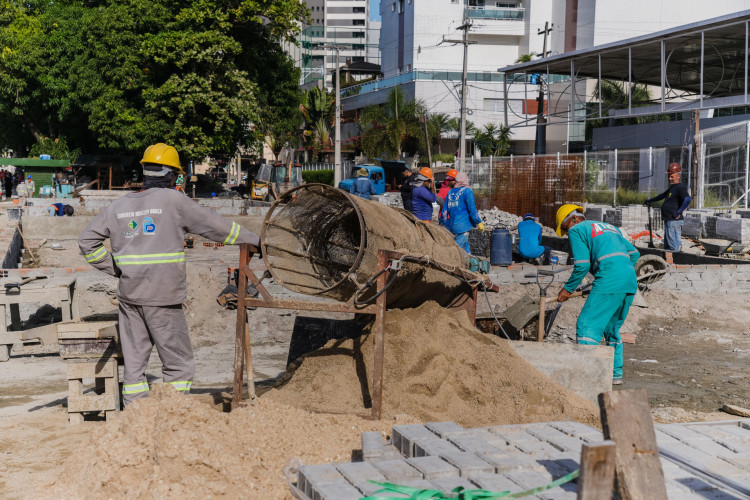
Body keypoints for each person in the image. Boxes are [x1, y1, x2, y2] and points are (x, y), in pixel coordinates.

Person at [78, 143, 261, 407]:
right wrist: (255, 240)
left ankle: (134, 419)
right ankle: (172, 415)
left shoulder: (118, 206)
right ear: (173, 175)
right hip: (162, 297)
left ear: (145, 172)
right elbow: (217, 228)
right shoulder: (174, 201)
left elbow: (86, 242)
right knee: (177, 364)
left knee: (134, 364)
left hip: (130, 296)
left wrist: (115, 269)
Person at [555, 204, 640, 386]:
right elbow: (634, 253)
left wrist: (567, 289)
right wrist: (616, 271)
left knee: (587, 326)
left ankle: (587, 377)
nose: (567, 232)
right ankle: (615, 374)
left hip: (610, 280)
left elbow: (582, 265)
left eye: (564, 227)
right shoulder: (611, 228)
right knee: (612, 329)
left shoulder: (577, 229)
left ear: (573, 219)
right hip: (629, 281)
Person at [643, 163, 691, 251]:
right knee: (668, 246)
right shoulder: (673, 188)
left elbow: (688, 199)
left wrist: (679, 212)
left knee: (673, 246)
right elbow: (662, 196)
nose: (669, 179)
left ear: (678, 176)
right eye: (669, 176)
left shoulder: (680, 187)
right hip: (670, 221)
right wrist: (649, 201)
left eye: (671, 176)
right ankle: (669, 262)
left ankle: (675, 262)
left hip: (673, 222)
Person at [444, 172, 484, 252]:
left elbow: (445, 212)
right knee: (458, 252)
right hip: (463, 226)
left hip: (452, 226)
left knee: (466, 250)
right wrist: (478, 222)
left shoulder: (450, 192)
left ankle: (468, 263)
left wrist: (445, 224)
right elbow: (472, 209)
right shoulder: (467, 191)